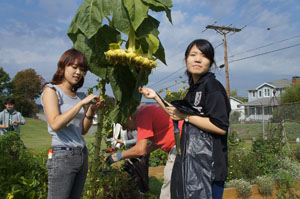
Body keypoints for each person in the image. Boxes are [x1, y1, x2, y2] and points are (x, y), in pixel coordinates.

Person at [139, 39, 231, 199]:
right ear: (186, 59)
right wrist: (155, 96)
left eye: (204, 56)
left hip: (211, 168)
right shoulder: (194, 90)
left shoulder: (212, 87)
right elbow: (176, 113)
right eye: (193, 54)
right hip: (193, 164)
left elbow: (220, 127)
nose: (197, 59)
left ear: (210, 62)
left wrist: (187, 117)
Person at [41, 48, 103, 199]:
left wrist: (91, 111)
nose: (78, 72)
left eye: (82, 69)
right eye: (74, 67)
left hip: (81, 155)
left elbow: (82, 130)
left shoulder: (78, 96)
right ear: (63, 67)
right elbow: (55, 124)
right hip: (63, 155)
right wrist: (81, 104)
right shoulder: (52, 91)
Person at [106, 104, 183, 199]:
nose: (126, 129)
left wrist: (116, 156)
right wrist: (135, 154)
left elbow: (140, 149)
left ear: (130, 118)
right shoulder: (146, 111)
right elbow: (157, 142)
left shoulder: (142, 115)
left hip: (181, 147)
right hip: (183, 145)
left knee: (169, 186)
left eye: (125, 126)